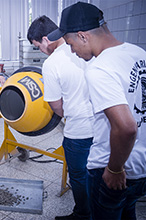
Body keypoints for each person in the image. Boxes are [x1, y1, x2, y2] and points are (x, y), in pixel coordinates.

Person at [47, 2, 146, 219]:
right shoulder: (138, 53)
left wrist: (114, 169)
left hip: (113, 169)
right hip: (141, 167)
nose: (71, 50)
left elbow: (126, 128)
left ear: (83, 36)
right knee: (129, 212)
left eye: (71, 43)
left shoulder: (99, 68)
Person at [27, 15, 94, 220]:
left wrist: (71, 113)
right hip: (104, 125)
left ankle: (83, 214)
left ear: (46, 39)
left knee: (79, 175)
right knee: (96, 172)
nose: (41, 50)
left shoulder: (52, 63)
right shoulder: (91, 48)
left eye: (38, 46)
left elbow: (55, 105)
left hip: (79, 131)